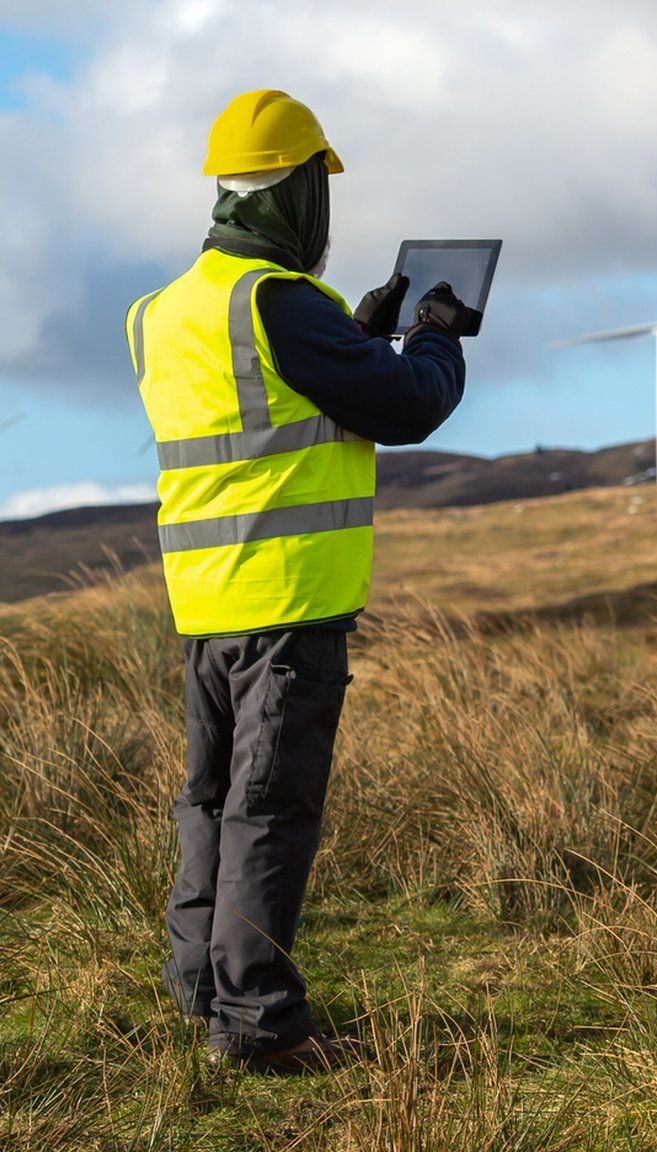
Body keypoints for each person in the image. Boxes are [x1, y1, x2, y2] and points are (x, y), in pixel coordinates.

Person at [126, 89, 478, 1074]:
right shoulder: (280, 304)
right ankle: (261, 1024)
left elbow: (277, 406)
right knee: (271, 810)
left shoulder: (161, 313)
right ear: (296, 196)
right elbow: (406, 405)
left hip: (205, 606)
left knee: (208, 802)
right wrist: (434, 335)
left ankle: (200, 986)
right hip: (289, 608)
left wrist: (358, 334)